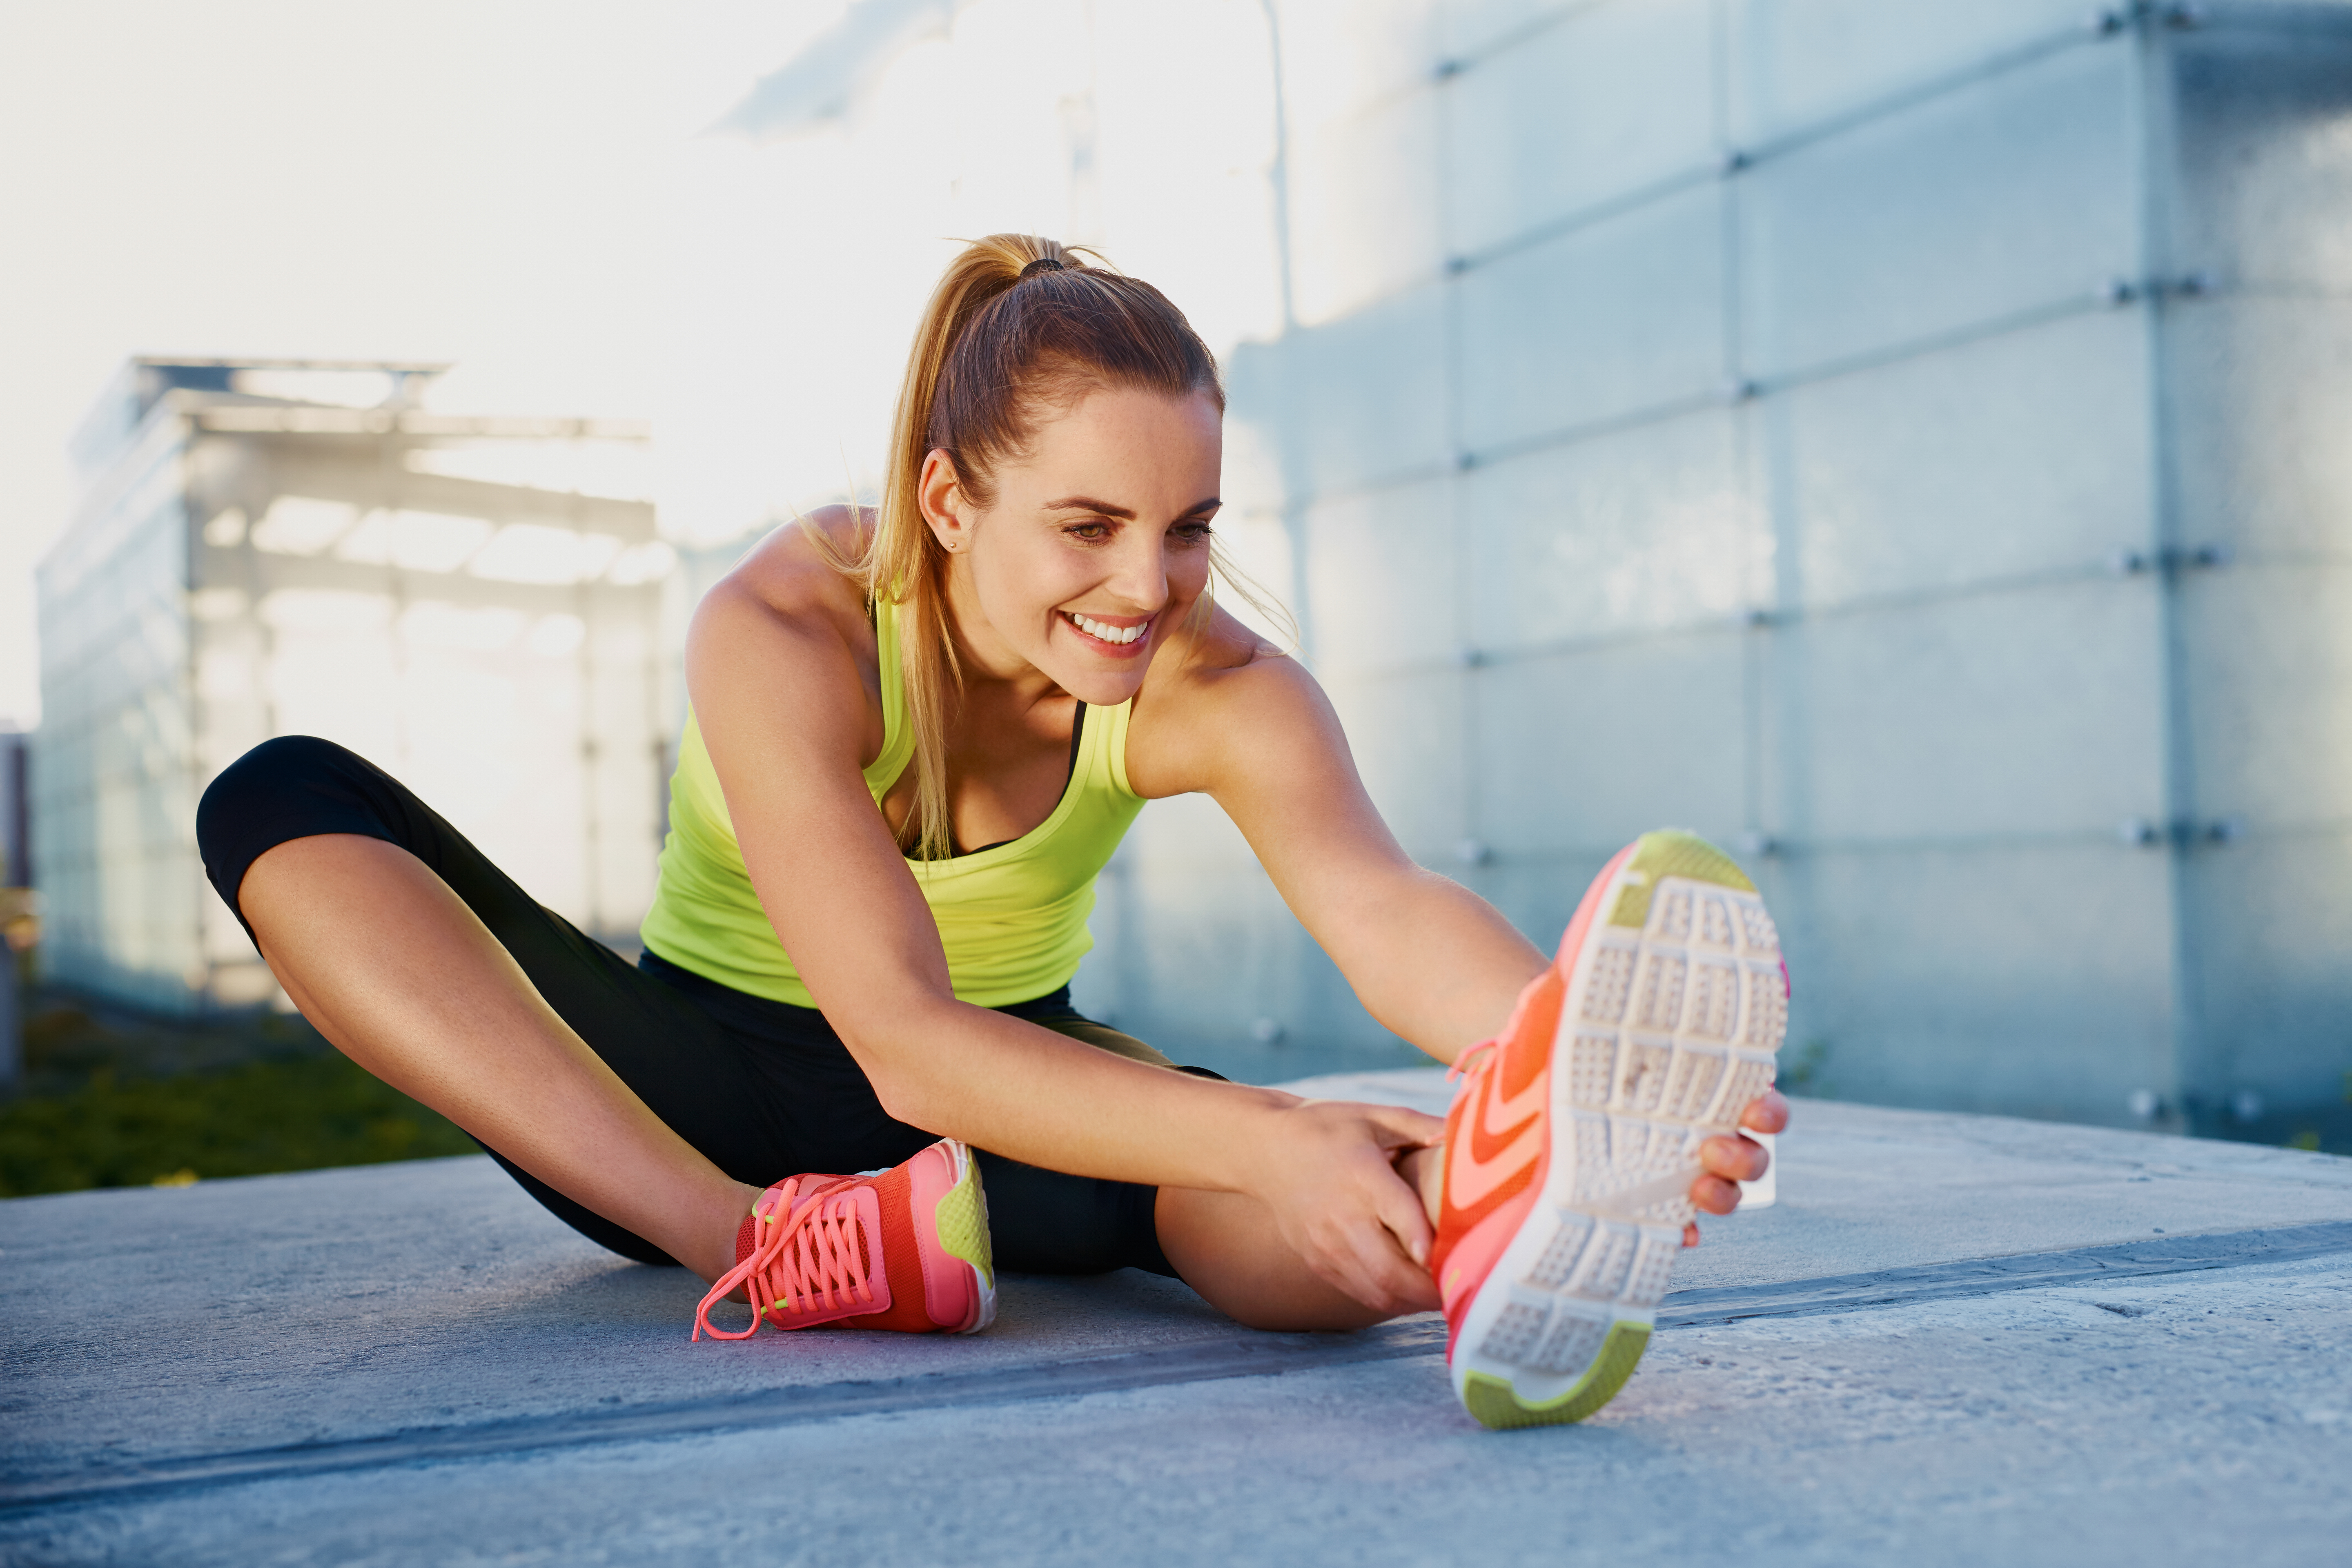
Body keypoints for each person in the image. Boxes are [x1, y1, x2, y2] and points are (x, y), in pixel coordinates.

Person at [196, 235, 1789, 1431]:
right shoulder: (789, 623)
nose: (1147, 585)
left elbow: (1380, 908)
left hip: (1006, 1108)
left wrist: (1567, 1062)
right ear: (950, 502)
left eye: (1187, 528)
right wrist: (1267, 1128)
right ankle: (760, 1243)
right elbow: (898, 1044)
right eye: (1089, 527)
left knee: (1310, 1198)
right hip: (687, 1090)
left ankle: (1486, 1205)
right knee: (278, 797)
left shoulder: (1211, 681)